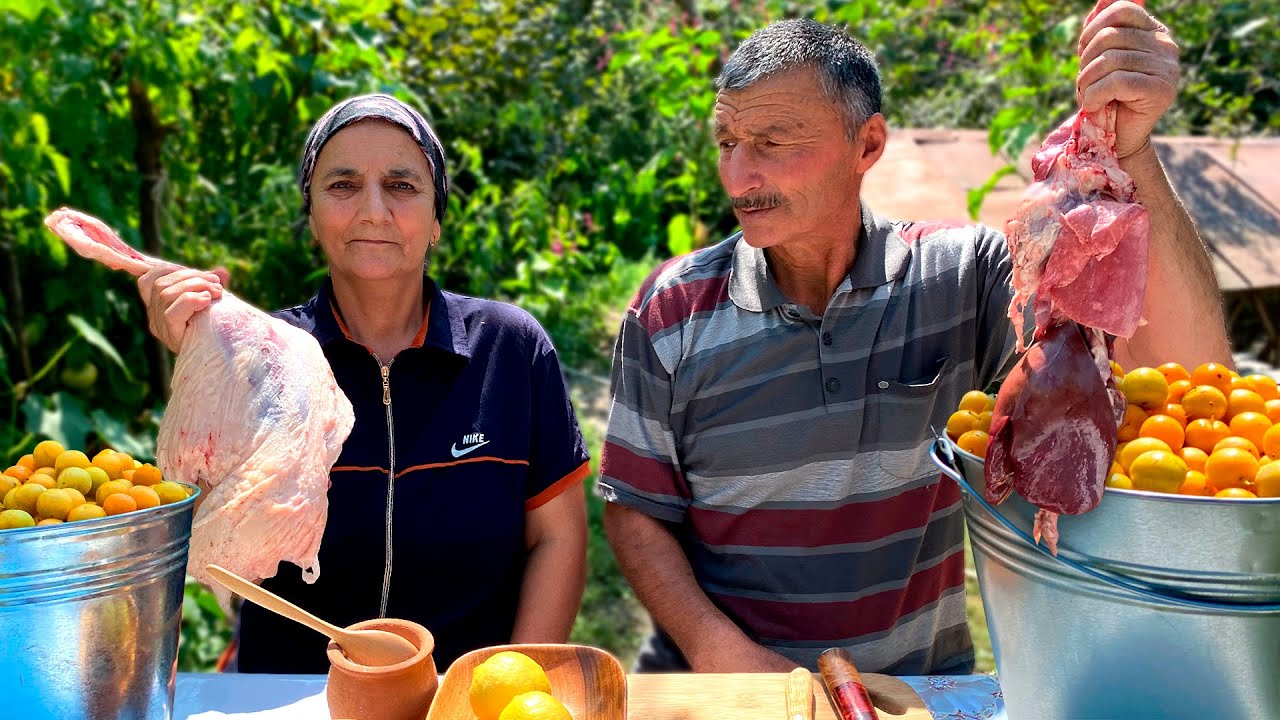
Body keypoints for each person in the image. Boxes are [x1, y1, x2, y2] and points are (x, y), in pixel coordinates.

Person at [598, 6, 1231, 675]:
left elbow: (1190, 381)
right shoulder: (673, 310)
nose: (737, 177)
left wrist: (1132, 153)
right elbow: (636, 509)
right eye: (727, 141)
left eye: (773, 142)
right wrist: (719, 650)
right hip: (716, 692)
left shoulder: (956, 279)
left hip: (910, 693)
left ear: (867, 145)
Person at [139, 94, 590, 673]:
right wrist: (200, 356)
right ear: (311, 214)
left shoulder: (509, 349)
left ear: (436, 220)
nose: (373, 210)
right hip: (286, 699)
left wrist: (510, 681)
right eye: (343, 185)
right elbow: (191, 539)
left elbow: (557, 539)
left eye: (402, 186)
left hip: (461, 696)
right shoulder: (261, 359)